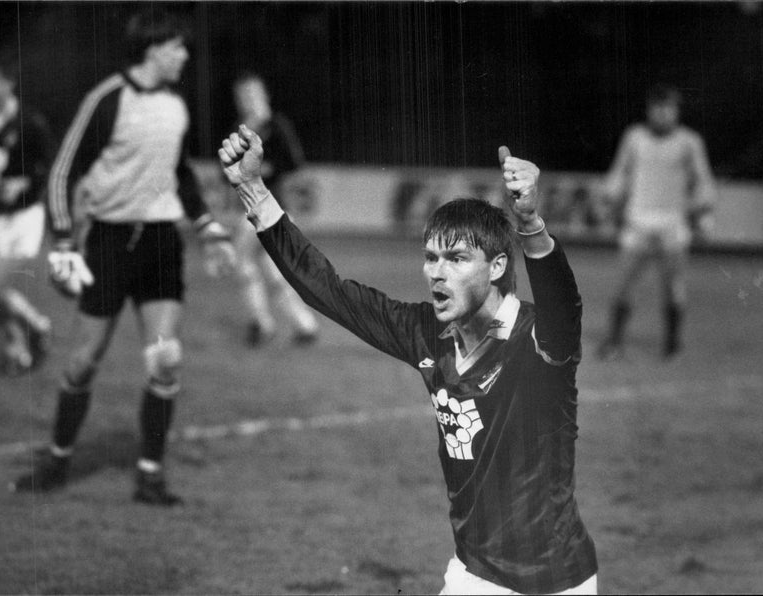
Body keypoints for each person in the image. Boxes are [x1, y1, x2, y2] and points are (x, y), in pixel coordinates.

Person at [219, 125, 598, 594]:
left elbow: (565, 302)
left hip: (555, 583)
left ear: (497, 267)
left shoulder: (540, 340)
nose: (437, 274)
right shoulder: (427, 333)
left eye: (457, 259)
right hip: (474, 574)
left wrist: (530, 224)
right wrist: (252, 188)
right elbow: (329, 291)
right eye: (431, 258)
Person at [11, 8, 235, 506]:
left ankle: (149, 477)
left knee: (164, 359)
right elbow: (64, 171)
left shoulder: (176, 107)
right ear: (154, 48)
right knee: (84, 360)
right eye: (177, 47)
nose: (184, 55)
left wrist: (209, 230)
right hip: (110, 247)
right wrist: (65, 239)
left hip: (160, 248)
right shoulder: (107, 99)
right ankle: (56, 459)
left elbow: (178, 175)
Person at [596, 84, 716, 361]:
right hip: (638, 220)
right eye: (657, 107)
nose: (662, 113)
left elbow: (704, 182)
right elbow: (620, 173)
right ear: (650, 109)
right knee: (624, 282)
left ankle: (672, 344)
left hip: (672, 223)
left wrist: (699, 206)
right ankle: (614, 341)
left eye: (668, 108)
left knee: (673, 284)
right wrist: (610, 196)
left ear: (676, 111)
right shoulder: (635, 137)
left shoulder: (689, 141)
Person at [228, 72, 319, 346]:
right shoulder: (240, 130)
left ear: (264, 95)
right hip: (251, 209)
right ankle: (304, 326)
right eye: (243, 96)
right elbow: (229, 171)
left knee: (245, 262)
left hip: (272, 208)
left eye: (252, 93)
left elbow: (294, 164)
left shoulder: (277, 126)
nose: (248, 100)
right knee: (272, 269)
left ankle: (262, 323)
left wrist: (264, 168)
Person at [0, 57, 56, 375]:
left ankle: (20, 340)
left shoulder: (29, 123)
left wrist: (25, 184)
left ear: (8, 84)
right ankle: (32, 329)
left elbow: (51, 169)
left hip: (23, 220)